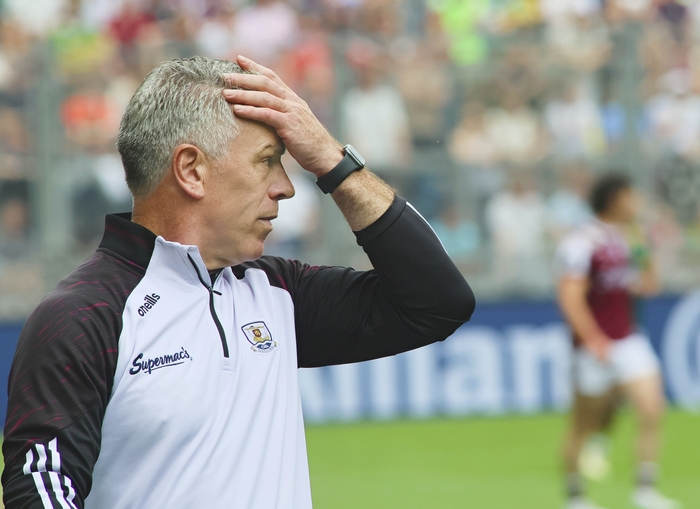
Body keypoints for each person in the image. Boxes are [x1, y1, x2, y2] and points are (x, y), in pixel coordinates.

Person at [1, 55, 475, 509]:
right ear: (192, 171)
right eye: (268, 160)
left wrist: (334, 162)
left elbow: (437, 302)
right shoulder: (84, 316)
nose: (287, 186)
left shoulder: (275, 293)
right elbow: (39, 490)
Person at [555, 173, 679, 509]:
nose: (637, 203)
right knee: (583, 424)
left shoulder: (629, 237)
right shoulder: (582, 242)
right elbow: (570, 296)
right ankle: (575, 495)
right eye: (631, 195)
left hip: (628, 339)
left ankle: (645, 490)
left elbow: (649, 285)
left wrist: (644, 250)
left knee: (652, 409)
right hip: (594, 346)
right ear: (615, 198)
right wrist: (593, 339)